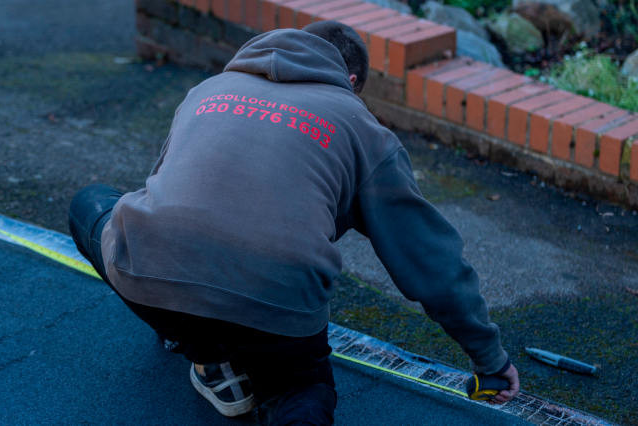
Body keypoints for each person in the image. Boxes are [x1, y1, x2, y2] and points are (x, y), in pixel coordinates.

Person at [69, 20, 519, 425]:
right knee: (300, 391)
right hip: (276, 295)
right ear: (351, 80)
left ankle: (208, 357)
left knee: (93, 205)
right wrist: (490, 362)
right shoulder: (360, 127)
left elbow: (163, 187)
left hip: (154, 267)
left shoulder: (208, 91)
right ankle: (235, 367)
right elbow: (428, 260)